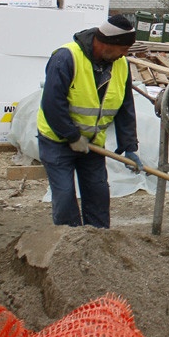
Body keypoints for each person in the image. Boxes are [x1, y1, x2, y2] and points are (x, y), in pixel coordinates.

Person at [37, 15, 142, 229]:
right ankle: (67, 243)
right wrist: (72, 136)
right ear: (106, 44)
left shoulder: (121, 65)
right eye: (123, 48)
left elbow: (125, 107)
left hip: (93, 143)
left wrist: (130, 146)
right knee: (65, 195)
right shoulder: (66, 58)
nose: (125, 54)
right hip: (57, 140)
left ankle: (98, 243)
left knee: (98, 193)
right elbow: (52, 104)